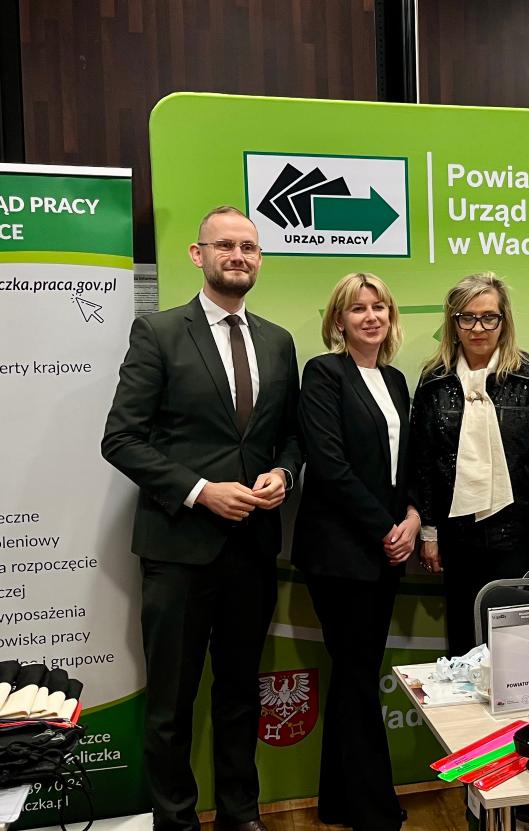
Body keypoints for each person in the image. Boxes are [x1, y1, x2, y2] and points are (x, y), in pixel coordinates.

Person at [102, 206, 301, 831]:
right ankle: (176, 822)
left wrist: (283, 473)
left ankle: (241, 814)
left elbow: (291, 436)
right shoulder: (158, 332)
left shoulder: (277, 341)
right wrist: (199, 491)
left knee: (240, 693)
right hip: (178, 550)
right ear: (199, 254)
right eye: (225, 246)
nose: (238, 256)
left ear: (259, 258)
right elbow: (121, 440)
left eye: (249, 247)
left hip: (253, 551)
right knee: (171, 703)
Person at [291, 273, 415, 830]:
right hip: (340, 553)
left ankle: (340, 801)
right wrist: (387, 528)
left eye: (379, 307)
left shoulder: (395, 380)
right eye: (358, 308)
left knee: (353, 673)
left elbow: (405, 465)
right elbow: (329, 465)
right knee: (358, 673)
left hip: (386, 549)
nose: (371, 316)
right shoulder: (324, 373)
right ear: (338, 320)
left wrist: (412, 518)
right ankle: (371, 807)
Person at [410, 272, 529, 657]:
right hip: (456, 534)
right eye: (467, 317)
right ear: (453, 323)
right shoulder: (434, 381)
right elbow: (422, 462)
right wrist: (429, 532)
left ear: (503, 321)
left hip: (517, 532)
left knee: (519, 649)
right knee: (464, 643)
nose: (478, 328)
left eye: (489, 317)